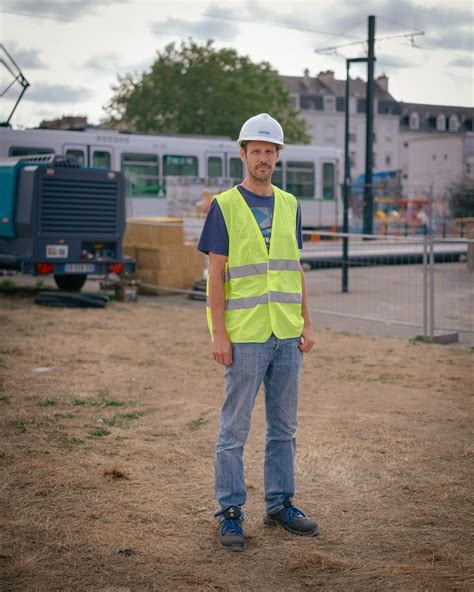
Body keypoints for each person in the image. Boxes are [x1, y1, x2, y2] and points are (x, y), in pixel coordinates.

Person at [197, 113, 318, 552]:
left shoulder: (290, 204)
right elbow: (215, 276)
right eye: (257, 150)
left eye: (271, 151)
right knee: (234, 432)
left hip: (286, 334)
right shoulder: (224, 205)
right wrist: (218, 334)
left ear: (278, 156)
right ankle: (230, 513)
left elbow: (294, 267)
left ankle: (280, 505)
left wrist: (306, 322)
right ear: (242, 152)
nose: (264, 158)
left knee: (283, 429)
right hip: (245, 334)